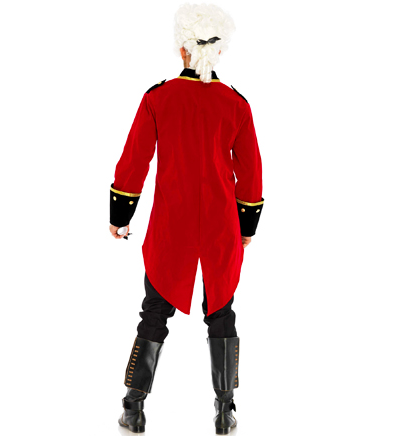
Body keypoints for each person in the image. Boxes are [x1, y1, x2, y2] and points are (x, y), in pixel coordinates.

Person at [109, 4, 264, 434]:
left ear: (182, 48)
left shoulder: (158, 98)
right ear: (219, 50)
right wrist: (246, 226)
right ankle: (225, 411)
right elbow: (251, 171)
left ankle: (134, 407)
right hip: (220, 224)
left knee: (154, 311)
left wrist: (120, 215)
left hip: (171, 222)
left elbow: (134, 160)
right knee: (222, 312)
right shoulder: (235, 104)